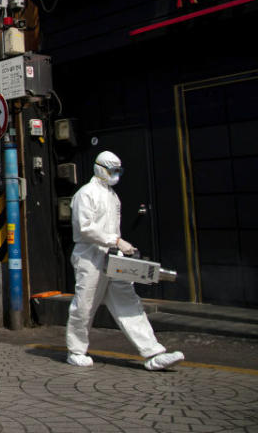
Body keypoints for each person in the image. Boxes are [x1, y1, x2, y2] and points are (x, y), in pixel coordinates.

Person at [66, 151, 184, 371]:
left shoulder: (113, 196)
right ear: (101, 168)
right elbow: (85, 228)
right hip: (89, 258)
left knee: (129, 303)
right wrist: (117, 241)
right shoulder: (86, 194)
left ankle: (153, 353)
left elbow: (112, 230)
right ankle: (76, 350)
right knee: (85, 304)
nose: (116, 175)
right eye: (112, 170)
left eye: (118, 171)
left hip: (112, 257)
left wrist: (119, 247)